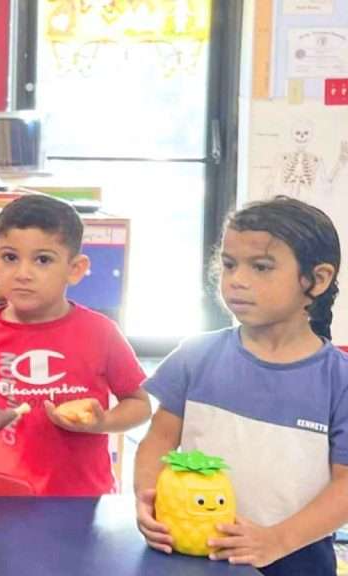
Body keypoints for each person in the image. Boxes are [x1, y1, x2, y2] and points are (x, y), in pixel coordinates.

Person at [135, 196, 348, 575]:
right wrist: (147, 501)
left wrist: (277, 540)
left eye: (261, 267)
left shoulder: (339, 380)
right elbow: (158, 440)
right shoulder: (196, 354)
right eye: (229, 264)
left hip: (297, 561)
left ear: (317, 279)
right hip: (194, 558)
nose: (237, 280)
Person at [0, 194, 150, 496]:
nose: (23, 273)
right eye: (11, 258)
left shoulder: (101, 332)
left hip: (85, 497)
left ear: (75, 269)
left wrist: (103, 423)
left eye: (43, 260)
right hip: (7, 497)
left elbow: (140, 405)